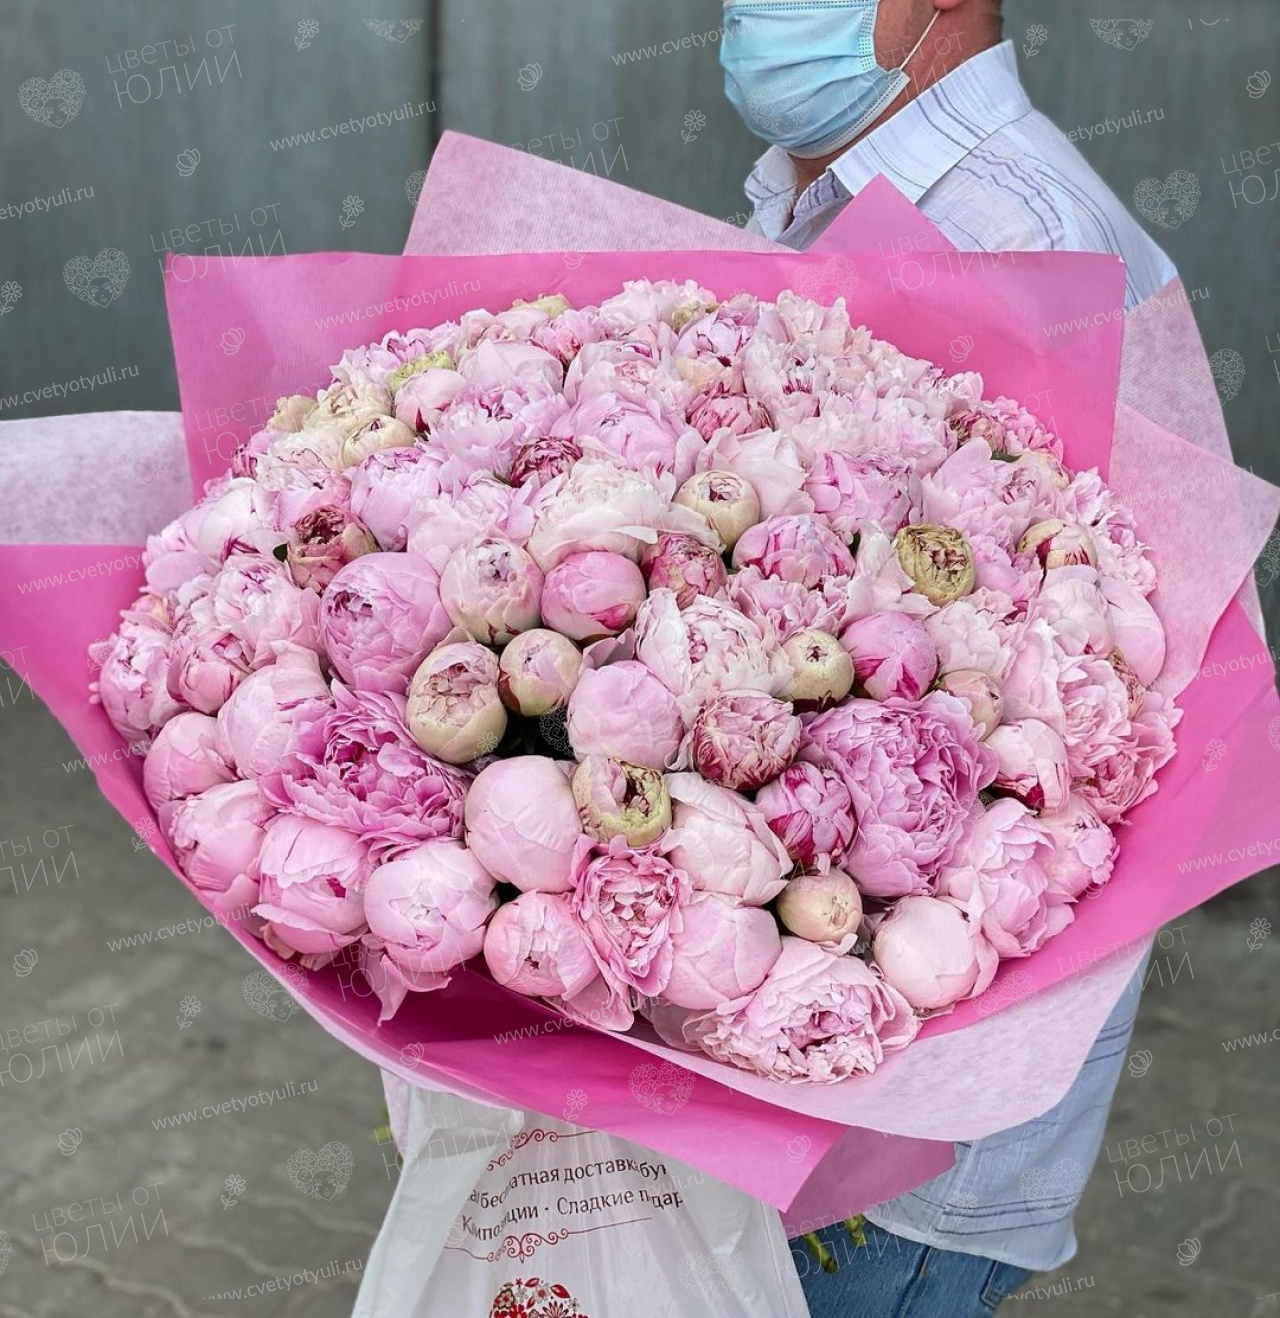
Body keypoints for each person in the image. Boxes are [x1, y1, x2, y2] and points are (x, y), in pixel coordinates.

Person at [718, 1, 1171, 1313]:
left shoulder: (1023, 238)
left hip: (901, 1146)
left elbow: (1099, 724)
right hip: (771, 1086)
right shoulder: (818, 199)